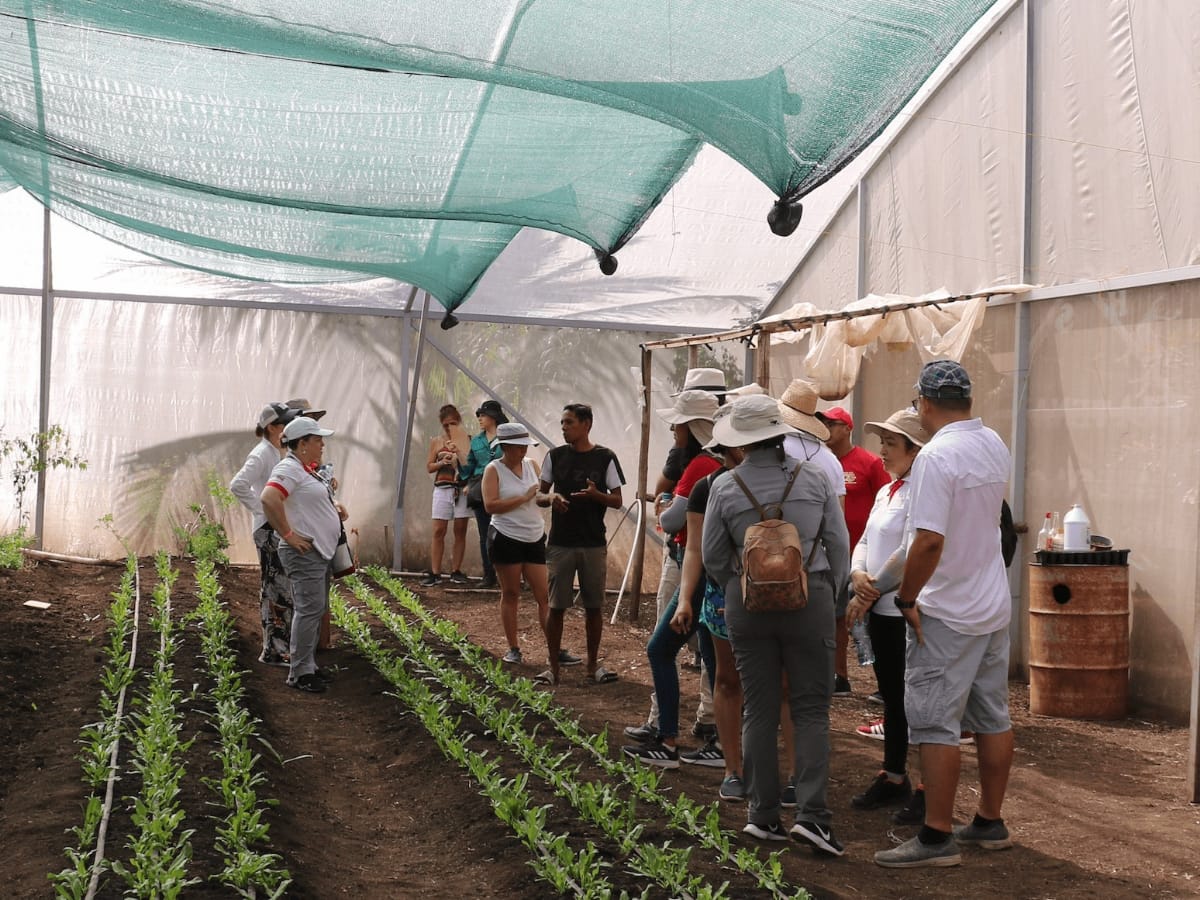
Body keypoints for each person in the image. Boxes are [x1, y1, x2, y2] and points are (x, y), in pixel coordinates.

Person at [874, 360, 1014, 869]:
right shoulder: (992, 443)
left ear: (925, 404)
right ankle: (988, 821)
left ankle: (935, 837)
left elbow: (929, 541)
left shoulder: (935, 456)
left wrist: (907, 598)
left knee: (935, 724)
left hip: (948, 609)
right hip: (991, 605)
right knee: (993, 715)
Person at [702, 394, 850, 854]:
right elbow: (839, 545)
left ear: (742, 443)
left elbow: (711, 557)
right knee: (809, 709)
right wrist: (831, 594)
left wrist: (744, 585)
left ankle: (762, 816)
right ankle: (812, 816)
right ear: (782, 433)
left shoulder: (724, 487)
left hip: (747, 606)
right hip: (811, 600)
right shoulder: (816, 478)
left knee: (759, 709)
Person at [621, 391, 722, 767]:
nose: (673, 428)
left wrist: (663, 505)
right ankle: (719, 740)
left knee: (660, 649)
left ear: (693, 427)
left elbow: (670, 519)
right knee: (712, 657)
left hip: (697, 570)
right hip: (719, 573)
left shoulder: (698, 465)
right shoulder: (723, 464)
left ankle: (666, 739)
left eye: (679, 422)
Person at [843, 408, 930, 815]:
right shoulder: (887, 490)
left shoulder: (922, 492)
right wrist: (858, 572)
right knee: (893, 698)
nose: (882, 451)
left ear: (915, 450)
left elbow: (909, 550)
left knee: (919, 701)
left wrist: (870, 590)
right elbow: (863, 539)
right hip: (881, 609)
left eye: (891, 444)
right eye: (882, 443)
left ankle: (929, 789)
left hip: (906, 612)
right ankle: (895, 775)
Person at [536, 403, 625, 686]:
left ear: (586, 424)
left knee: (594, 606)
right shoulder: (555, 456)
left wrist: (596, 494)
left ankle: (591, 666)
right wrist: (552, 499)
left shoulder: (605, 458)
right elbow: (540, 495)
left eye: (569, 423)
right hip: (561, 543)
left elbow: (618, 500)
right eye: (562, 423)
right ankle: (553, 667)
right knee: (556, 606)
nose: (563, 428)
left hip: (592, 542)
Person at [260, 416, 348, 695]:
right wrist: (288, 534)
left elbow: (306, 502)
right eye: (317, 439)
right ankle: (299, 672)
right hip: (304, 552)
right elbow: (269, 498)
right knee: (309, 610)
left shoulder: (304, 469)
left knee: (314, 609)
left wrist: (334, 508)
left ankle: (306, 665)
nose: (322, 444)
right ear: (302, 443)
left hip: (317, 551)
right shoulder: (288, 468)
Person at [482, 422, 572, 669]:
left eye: (525, 446)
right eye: (519, 447)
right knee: (510, 593)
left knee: (544, 595)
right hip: (505, 536)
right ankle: (513, 648)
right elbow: (490, 505)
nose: (523, 451)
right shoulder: (494, 470)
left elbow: (540, 495)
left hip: (534, 536)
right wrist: (523, 498)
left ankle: (555, 647)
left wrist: (549, 498)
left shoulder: (532, 465)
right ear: (506, 447)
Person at [821, 405, 891, 696]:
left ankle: (884, 685)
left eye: (832, 423)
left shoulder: (869, 463)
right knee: (836, 617)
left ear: (847, 428)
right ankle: (839, 676)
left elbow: (889, 501)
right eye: (823, 423)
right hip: (835, 554)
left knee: (874, 620)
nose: (826, 428)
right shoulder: (821, 462)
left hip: (866, 557)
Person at [230, 401, 300, 666]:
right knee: (275, 588)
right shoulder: (262, 454)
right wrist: (261, 511)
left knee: (280, 587)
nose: (288, 428)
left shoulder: (273, 452)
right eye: (285, 424)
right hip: (266, 529)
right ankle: (274, 650)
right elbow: (238, 484)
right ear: (272, 427)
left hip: (271, 526)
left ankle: (279, 647)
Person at [421, 404, 471, 587]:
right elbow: (429, 467)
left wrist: (458, 455)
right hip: (442, 488)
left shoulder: (468, 440)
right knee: (438, 530)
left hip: (461, 489)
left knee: (460, 531)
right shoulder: (437, 442)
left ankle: (456, 571)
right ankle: (435, 572)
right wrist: (442, 462)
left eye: (453, 423)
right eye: (446, 424)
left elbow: (470, 466)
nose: (450, 427)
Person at [459, 399, 507, 589]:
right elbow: (470, 464)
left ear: (494, 417)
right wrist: (463, 475)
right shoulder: (477, 441)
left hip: (503, 487)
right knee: (484, 534)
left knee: (505, 532)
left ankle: (509, 573)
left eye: (483, 415)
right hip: (480, 490)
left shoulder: (506, 438)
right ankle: (489, 574)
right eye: (478, 415)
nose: (479, 418)